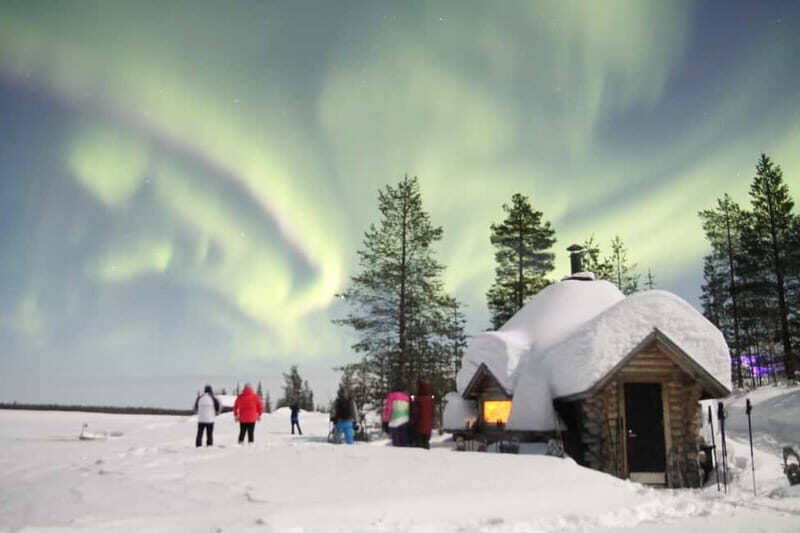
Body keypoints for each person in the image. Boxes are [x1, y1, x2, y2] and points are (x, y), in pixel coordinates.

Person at [383, 379, 411, 447]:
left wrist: (385, 421)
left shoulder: (391, 395)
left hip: (395, 421)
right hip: (405, 421)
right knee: (403, 443)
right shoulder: (407, 396)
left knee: (396, 444)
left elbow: (388, 409)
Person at [410, 380, 435, 449]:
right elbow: (432, 414)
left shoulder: (418, 399)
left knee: (419, 448)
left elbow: (415, 413)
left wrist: (411, 423)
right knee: (426, 444)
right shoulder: (430, 400)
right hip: (428, 428)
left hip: (419, 427)